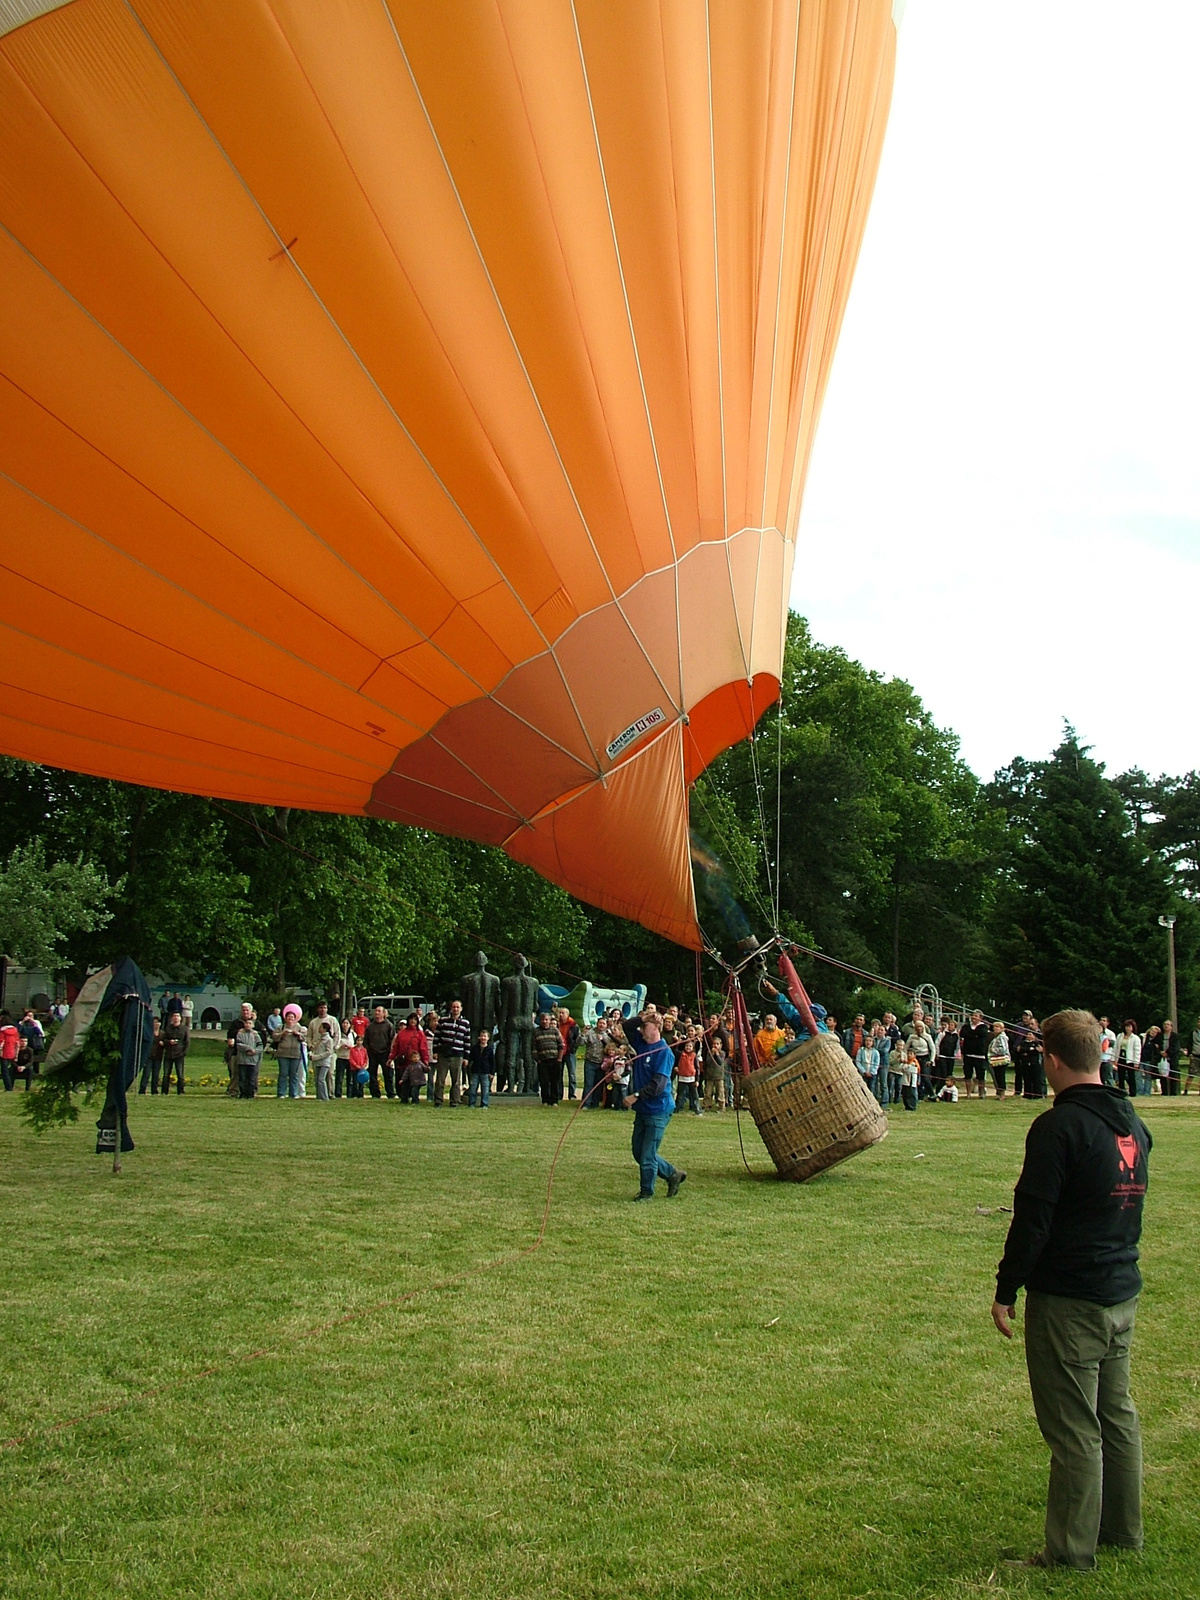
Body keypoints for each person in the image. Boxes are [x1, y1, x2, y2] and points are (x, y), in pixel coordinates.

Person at [991, 1009, 1150, 1571]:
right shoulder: (1131, 1120)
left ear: (1053, 1060)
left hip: (1072, 1300)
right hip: (1120, 1291)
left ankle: (1070, 1553)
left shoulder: (1059, 1127)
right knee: (1116, 1414)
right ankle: (1121, 1531)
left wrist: (1006, 1287)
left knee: (1076, 1429)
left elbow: (1033, 1218)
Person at [623, 1012, 685, 1201]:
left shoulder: (664, 1052)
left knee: (648, 1154)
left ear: (655, 1028)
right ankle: (673, 1173)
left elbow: (658, 1085)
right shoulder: (641, 1043)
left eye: (646, 1027)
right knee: (638, 1152)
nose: (641, 1030)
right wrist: (644, 1018)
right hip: (643, 1109)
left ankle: (646, 1193)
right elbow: (627, 1026)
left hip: (658, 1110)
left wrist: (636, 1095)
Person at [431, 999, 471, 1106]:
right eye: (454, 1007)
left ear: (461, 1009)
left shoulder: (465, 1023)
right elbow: (437, 1037)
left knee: (456, 1080)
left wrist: (466, 1057)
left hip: (458, 1055)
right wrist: (435, 1051)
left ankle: (455, 1101)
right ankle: (438, 1100)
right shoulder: (443, 1020)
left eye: (458, 1007)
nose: (455, 1009)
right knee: (440, 1080)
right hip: (444, 1054)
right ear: (451, 1008)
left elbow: (467, 1041)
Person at [363, 1005, 395, 1099]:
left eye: (379, 1011)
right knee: (372, 1074)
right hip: (373, 1053)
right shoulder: (370, 1026)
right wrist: (368, 1050)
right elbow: (366, 1040)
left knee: (387, 1074)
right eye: (376, 1011)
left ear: (383, 1013)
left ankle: (390, 1093)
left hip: (385, 1053)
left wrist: (389, 1052)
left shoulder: (389, 1025)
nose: (377, 1013)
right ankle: (375, 1093)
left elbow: (392, 1039)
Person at [274, 1004, 306, 1098]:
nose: (290, 1019)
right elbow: (275, 1037)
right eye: (289, 1017)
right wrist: (282, 1034)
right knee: (283, 1073)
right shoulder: (281, 1027)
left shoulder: (299, 1028)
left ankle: (293, 1093)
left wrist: (298, 1034)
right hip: (283, 1053)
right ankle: (281, 1093)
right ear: (285, 1018)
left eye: (292, 1017)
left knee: (294, 1074)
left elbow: (304, 1038)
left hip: (295, 1054)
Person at [533, 1012, 564, 1105]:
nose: (544, 1021)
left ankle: (554, 1100)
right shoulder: (536, 1032)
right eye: (543, 1019)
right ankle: (545, 1100)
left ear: (550, 1021)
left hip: (555, 1059)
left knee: (555, 1081)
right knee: (544, 1082)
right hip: (543, 1060)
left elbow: (561, 1045)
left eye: (546, 1019)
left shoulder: (555, 1030)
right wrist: (538, 1059)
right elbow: (534, 1048)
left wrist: (559, 1059)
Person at [960, 1010, 990, 1099]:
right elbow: (963, 1034)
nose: (973, 1017)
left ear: (980, 1018)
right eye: (973, 1015)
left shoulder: (983, 1026)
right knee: (968, 1074)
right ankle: (968, 1093)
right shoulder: (966, 1026)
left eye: (976, 1016)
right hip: (968, 1054)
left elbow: (982, 1034)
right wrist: (974, 1035)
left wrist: (971, 1035)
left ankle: (981, 1093)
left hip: (979, 1054)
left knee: (980, 1075)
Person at [234, 1013, 264, 1099]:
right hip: (242, 1060)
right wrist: (248, 1048)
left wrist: (254, 1051)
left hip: (252, 1060)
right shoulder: (240, 1034)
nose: (248, 1025)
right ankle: (243, 1093)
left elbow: (260, 1046)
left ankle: (250, 1094)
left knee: (251, 1078)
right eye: (246, 1023)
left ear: (253, 1025)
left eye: (250, 1023)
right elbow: (239, 1044)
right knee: (242, 1078)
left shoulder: (255, 1035)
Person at [160, 1008, 189, 1095]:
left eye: (177, 1016)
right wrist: (169, 1042)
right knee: (166, 1074)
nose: (176, 1018)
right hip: (169, 1054)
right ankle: (164, 1091)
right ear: (172, 1018)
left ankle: (181, 1091)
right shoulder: (168, 1028)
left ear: (180, 1018)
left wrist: (184, 1053)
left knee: (180, 1074)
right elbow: (163, 1040)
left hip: (179, 1054)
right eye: (174, 1016)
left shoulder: (184, 1029)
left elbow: (187, 1042)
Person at [310, 1018, 338, 1100]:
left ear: (325, 1029)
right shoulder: (320, 1039)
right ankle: (319, 1096)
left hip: (324, 1062)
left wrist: (316, 1057)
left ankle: (325, 1097)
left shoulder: (328, 1039)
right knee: (317, 1079)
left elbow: (328, 1052)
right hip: (317, 1062)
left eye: (320, 1027)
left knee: (321, 1079)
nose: (319, 1029)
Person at [674, 1032, 701, 1114]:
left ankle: (697, 1109)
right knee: (680, 1095)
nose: (688, 1047)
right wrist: (678, 1042)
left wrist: (697, 1080)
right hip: (682, 1078)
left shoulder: (694, 1055)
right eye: (686, 1046)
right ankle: (677, 1109)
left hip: (692, 1078)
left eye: (690, 1046)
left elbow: (697, 1068)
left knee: (695, 1096)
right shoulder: (681, 1054)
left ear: (692, 1047)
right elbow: (675, 1051)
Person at [557, 1006, 581, 1099]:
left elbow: (577, 1039)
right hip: (559, 1052)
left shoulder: (573, 1025)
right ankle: (559, 1094)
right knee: (559, 1074)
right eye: (560, 1013)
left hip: (569, 1052)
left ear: (568, 1014)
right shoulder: (557, 1024)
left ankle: (572, 1094)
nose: (561, 1015)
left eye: (563, 1013)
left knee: (572, 1074)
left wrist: (573, 1049)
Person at [467, 1029, 495, 1108]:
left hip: (485, 1072)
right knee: (473, 1088)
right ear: (479, 1037)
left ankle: (484, 1104)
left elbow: (492, 1062)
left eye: (485, 1036)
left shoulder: (490, 1049)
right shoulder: (474, 1048)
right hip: (475, 1071)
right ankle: (472, 1103)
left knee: (485, 1089)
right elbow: (471, 1058)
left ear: (488, 1038)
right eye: (482, 1036)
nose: (483, 1038)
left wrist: (492, 1073)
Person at [1113, 1021, 1141, 1097]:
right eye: (1126, 1026)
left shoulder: (1135, 1038)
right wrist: (1114, 1058)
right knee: (1121, 1076)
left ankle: (1133, 1092)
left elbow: (1137, 1050)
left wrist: (1136, 1062)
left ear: (1132, 1028)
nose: (1127, 1028)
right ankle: (1121, 1091)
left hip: (1130, 1059)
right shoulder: (1120, 1036)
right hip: (1121, 1058)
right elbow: (1116, 1048)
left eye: (1129, 1027)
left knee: (1131, 1076)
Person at [988, 1020, 1012, 1098]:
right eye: (994, 1027)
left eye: (997, 1027)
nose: (995, 1028)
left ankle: (1002, 1094)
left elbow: (1003, 1049)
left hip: (1001, 1060)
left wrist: (993, 1050)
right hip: (996, 1060)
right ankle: (999, 1092)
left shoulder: (1002, 1037)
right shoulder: (996, 1037)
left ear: (1002, 1028)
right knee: (998, 1076)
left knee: (1000, 1076)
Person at [0, 1013, 21, 1092]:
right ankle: (11, 1086)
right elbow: (17, 1043)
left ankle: (8, 1087)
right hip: (12, 1052)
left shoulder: (2, 1031)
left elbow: (1, 1043)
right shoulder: (15, 1031)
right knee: (11, 1070)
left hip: (4, 1053)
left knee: (4, 1071)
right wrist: (16, 1054)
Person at [334, 1019, 354, 1098]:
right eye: (344, 1023)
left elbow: (356, 1046)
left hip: (350, 1058)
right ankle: (338, 1093)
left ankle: (350, 1094)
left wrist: (350, 1047)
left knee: (350, 1078)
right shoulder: (338, 1034)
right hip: (340, 1057)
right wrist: (340, 1046)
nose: (345, 1025)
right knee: (339, 1077)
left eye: (347, 1023)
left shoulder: (353, 1035)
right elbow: (335, 1046)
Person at [1161, 1020, 1180, 1096]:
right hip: (1162, 1059)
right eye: (1165, 1024)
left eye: (1168, 1024)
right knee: (1163, 1075)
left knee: (1173, 1075)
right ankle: (1164, 1092)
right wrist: (1161, 1052)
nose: (1166, 1026)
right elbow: (1156, 1045)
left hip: (1172, 1058)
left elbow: (1175, 1047)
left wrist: (1167, 1053)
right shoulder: (1160, 1035)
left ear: (1171, 1027)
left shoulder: (1175, 1036)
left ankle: (1173, 1092)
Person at [1098, 1017, 1117, 1086]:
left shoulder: (1109, 1035)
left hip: (1106, 1059)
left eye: (1104, 1020)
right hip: (1097, 1060)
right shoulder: (1094, 1035)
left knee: (1108, 1077)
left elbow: (1110, 1046)